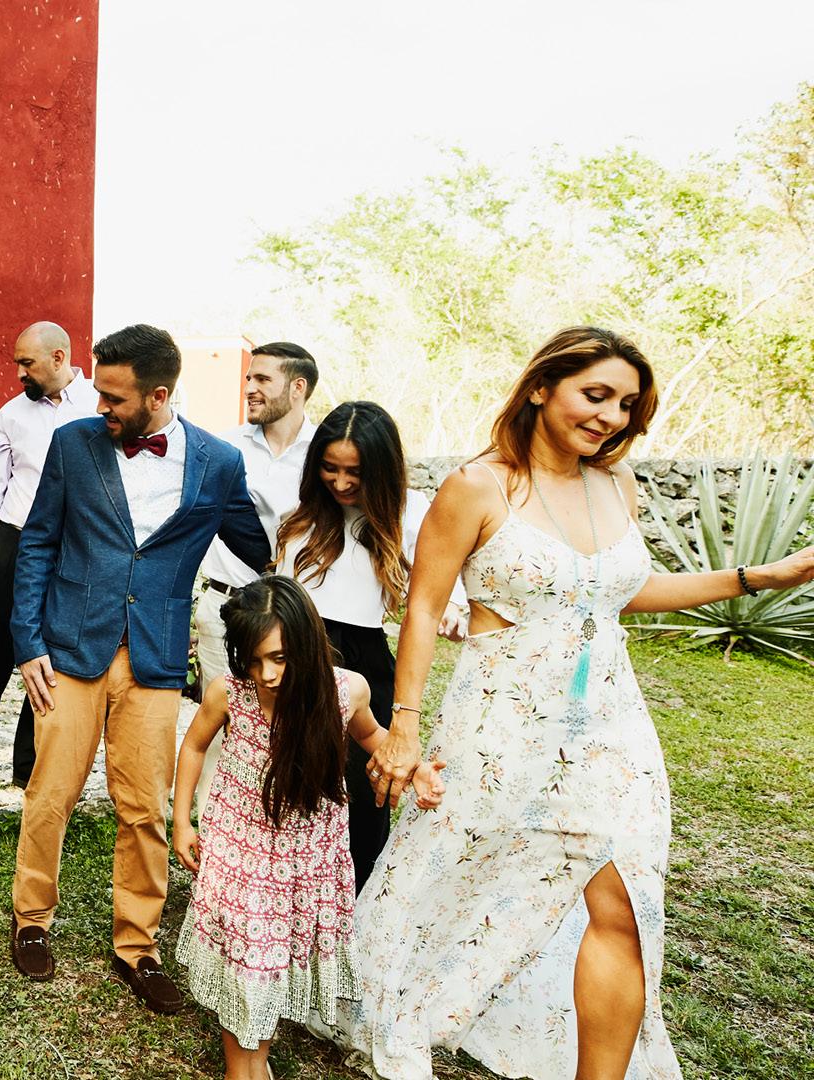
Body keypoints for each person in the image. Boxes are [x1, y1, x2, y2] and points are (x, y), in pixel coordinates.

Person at [343, 326, 814, 1080]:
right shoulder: (478, 485)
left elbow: (625, 592)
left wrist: (762, 577)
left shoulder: (617, 484)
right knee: (456, 875)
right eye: (596, 395)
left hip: (612, 723)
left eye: (626, 404)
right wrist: (404, 728)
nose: (611, 416)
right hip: (500, 718)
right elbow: (426, 610)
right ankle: (399, 1009)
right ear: (541, 388)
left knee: (624, 906)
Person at [6, 323, 268, 1012]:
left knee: (146, 807)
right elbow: (37, 543)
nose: (103, 408)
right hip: (68, 650)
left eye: (116, 398)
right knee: (50, 794)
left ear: (158, 395)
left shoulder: (216, 461)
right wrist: (28, 641)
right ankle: (31, 921)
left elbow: (259, 541)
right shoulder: (73, 444)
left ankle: (138, 946)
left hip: (154, 655)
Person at [170, 576, 444, 1080]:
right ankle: (242, 1070)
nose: (267, 674)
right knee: (246, 965)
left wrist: (414, 765)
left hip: (307, 854)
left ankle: (257, 1061)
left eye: (279, 657)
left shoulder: (347, 691)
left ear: (308, 642)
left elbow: (373, 736)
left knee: (268, 964)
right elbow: (192, 747)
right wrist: (182, 819)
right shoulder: (229, 694)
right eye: (254, 660)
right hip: (241, 845)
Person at [272, 400, 466, 888]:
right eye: (329, 468)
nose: (340, 483)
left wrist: (456, 607)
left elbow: (445, 581)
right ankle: (286, 898)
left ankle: (354, 905)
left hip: (364, 661)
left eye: (354, 472)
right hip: (300, 653)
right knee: (294, 788)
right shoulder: (297, 514)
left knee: (365, 792)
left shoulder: (412, 511)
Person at [0, 321, 97, 793]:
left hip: (74, 546)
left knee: (52, 652)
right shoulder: (11, 414)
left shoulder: (97, 407)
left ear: (58, 358)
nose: (19, 374)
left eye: (26, 363)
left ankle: (30, 767)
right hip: (15, 541)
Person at [187, 342, 319, 817]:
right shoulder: (222, 449)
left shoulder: (325, 452)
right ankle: (214, 847)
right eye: (248, 378)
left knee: (295, 729)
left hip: (299, 615)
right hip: (227, 610)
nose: (250, 388)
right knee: (222, 727)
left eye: (263, 379)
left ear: (297, 387)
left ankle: (282, 841)